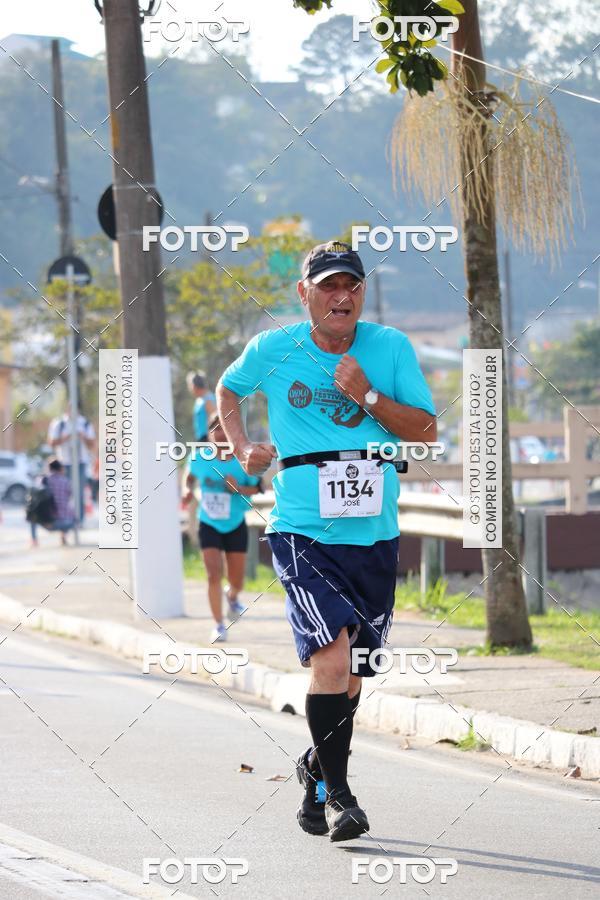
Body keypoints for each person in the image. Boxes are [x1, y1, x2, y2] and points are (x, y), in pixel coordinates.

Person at [217, 240, 436, 842]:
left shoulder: (390, 348)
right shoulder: (274, 348)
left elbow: (425, 431)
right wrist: (243, 447)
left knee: (355, 674)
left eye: (352, 286)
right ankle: (341, 798)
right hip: (303, 530)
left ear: (363, 293)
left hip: (375, 535)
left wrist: (368, 395)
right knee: (332, 660)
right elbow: (229, 389)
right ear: (305, 293)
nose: (342, 296)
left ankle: (316, 769)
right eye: (329, 286)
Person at [183, 413, 262, 643]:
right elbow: (189, 477)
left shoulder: (242, 460)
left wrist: (238, 489)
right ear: (209, 434)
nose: (219, 433)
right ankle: (218, 625)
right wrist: (186, 491)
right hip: (209, 522)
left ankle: (232, 595)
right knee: (213, 573)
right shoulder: (199, 457)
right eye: (215, 429)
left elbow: (258, 488)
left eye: (223, 428)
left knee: (237, 581)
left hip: (235, 522)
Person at [47, 404, 95, 523]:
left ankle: (79, 520)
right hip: (64, 463)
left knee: (79, 493)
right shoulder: (59, 423)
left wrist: (83, 437)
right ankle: (63, 518)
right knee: (62, 493)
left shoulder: (85, 423)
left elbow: (92, 444)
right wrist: (65, 438)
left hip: (81, 463)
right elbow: (51, 442)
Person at [28, 459, 75, 547]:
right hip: (64, 523)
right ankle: (63, 537)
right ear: (60, 469)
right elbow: (69, 497)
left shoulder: (41, 480)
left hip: (44, 521)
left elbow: (33, 498)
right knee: (70, 513)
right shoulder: (65, 481)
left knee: (32, 514)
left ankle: (34, 540)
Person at [187, 371, 216, 441]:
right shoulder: (199, 400)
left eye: (189, 385)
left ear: (194, 385)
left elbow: (214, 423)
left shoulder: (208, 399)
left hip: (208, 439)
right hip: (201, 439)